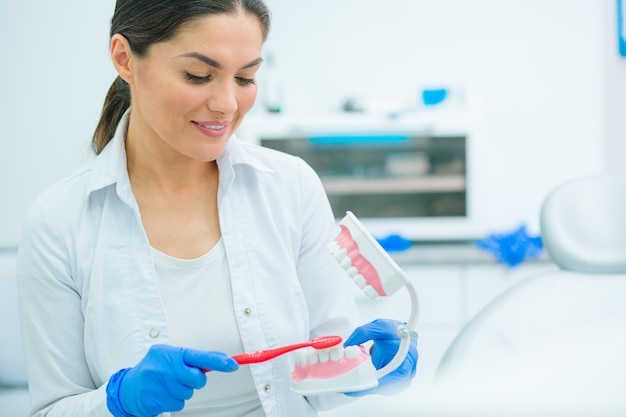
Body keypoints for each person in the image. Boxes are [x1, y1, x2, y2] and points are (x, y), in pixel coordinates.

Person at [16, 1, 418, 416]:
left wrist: (371, 368)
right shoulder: (59, 222)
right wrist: (116, 402)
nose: (227, 104)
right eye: (198, 75)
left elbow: (324, 376)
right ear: (124, 59)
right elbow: (51, 409)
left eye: (245, 78)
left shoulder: (290, 187)